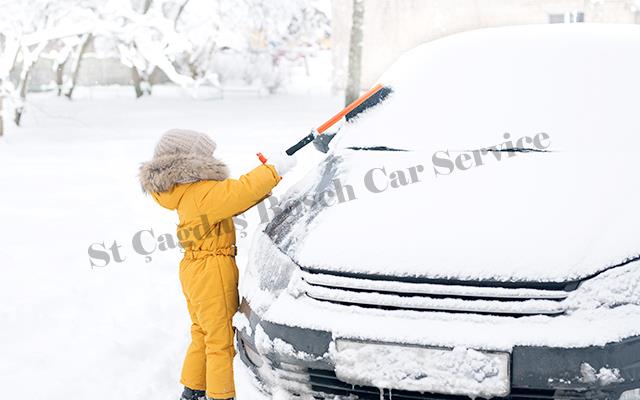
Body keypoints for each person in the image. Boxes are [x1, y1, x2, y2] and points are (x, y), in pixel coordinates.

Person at [139, 129, 296, 400]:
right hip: (211, 270)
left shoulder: (186, 191)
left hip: (194, 269)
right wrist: (273, 170)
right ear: (190, 161)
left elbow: (234, 200)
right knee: (220, 342)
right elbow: (240, 192)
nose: (212, 159)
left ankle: (193, 391)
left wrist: (268, 178)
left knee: (202, 333)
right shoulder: (201, 192)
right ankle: (221, 396)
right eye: (206, 156)